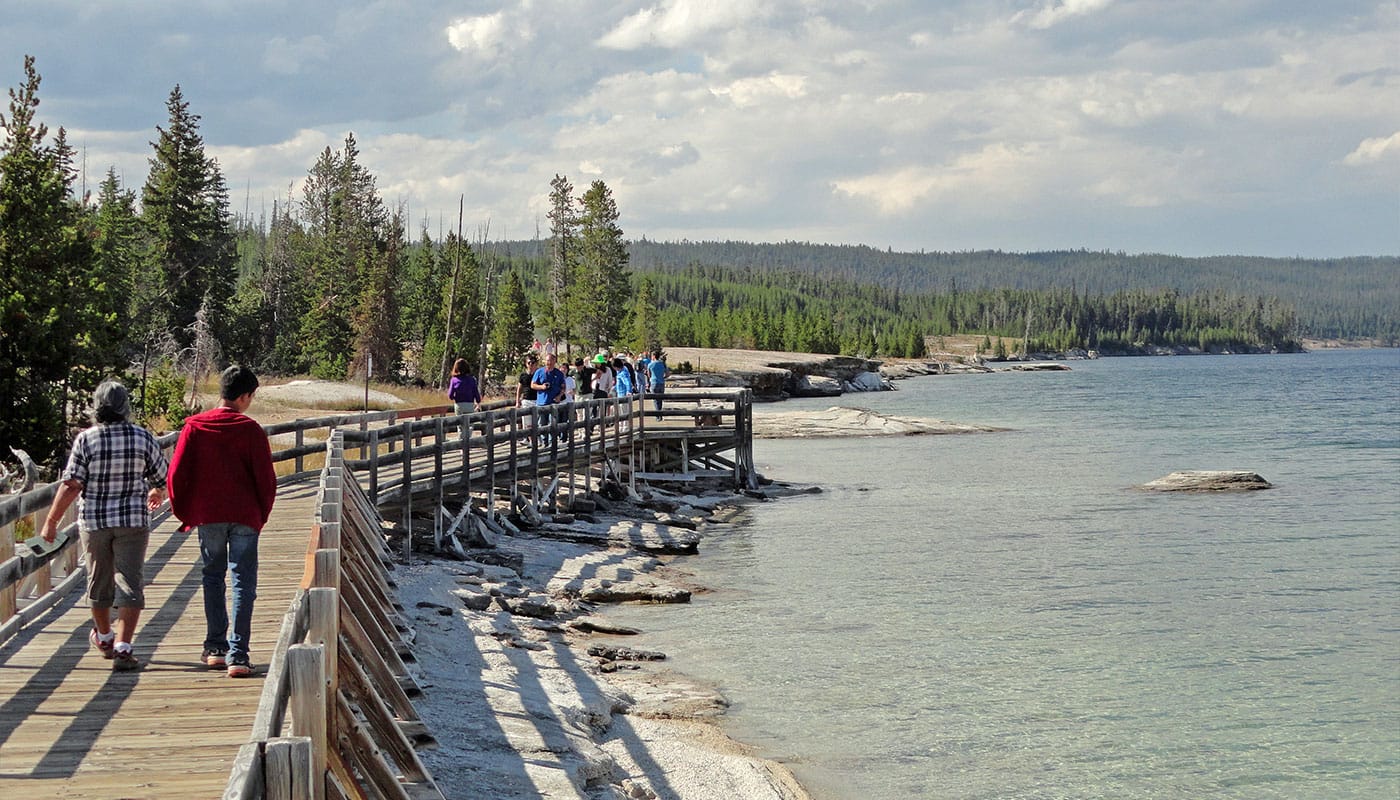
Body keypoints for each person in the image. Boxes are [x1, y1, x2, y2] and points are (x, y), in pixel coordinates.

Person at [40, 381, 168, 672]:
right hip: (133, 521)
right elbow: (163, 476)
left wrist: (51, 522)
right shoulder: (141, 437)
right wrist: (155, 491)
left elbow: (72, 485)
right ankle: (124, 646)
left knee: (98, 581)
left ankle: (106, 638)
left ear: (97, 406)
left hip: (95, 522)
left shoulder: (87, 439)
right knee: (130, 582)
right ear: (125, 407)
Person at [167, 366, 277, 678]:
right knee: (243, 582)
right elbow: (266, 481)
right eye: (251, 396)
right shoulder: (251, 430)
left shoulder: (195, 427)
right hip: (245, 516)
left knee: (212, 577)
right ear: (244, 396)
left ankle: (215, 647)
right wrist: (261, 515)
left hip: (208, 515)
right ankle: (238, 655)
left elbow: (176, 475)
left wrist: (186, 512)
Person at [647, 354, 670, 421]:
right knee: (660, 399)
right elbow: (668, 374)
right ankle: (660, 413)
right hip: (661, 383)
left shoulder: (650, 364)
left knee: (655, 400)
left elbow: (649, 375)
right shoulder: (663, 364)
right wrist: (663, 377)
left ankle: (658, 415)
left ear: (653, 356)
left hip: (654, 382)